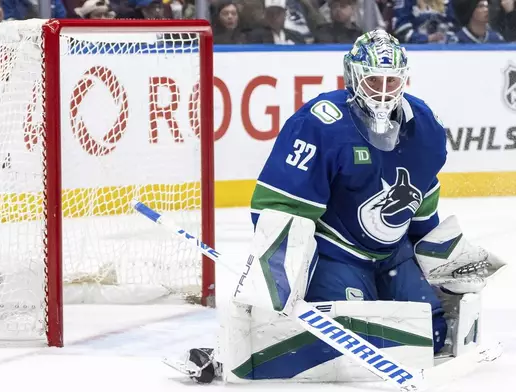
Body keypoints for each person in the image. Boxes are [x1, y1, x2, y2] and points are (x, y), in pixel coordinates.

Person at [179, 29, 505, 384]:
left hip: (391, 253)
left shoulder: (425, 127)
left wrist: (444, 263)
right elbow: (278, 209)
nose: (383, 92)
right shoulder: (320, 124)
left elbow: (423, 209)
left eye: (391, 81)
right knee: (352, 339)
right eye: (373, 81)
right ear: (353, 77)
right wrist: (279, 285)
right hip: (336, 253)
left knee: (433, 333)